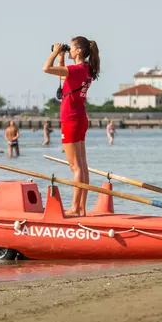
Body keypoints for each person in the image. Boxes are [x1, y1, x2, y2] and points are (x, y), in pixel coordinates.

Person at [43, 37, 100, 216]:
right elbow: (62, 75)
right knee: (82, 165)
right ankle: (81, 207)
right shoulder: (85, 69)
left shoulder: (76, 69)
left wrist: (54, 52)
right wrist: (61, 56)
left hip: (70, 119)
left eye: (71, 49)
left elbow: (46, 69)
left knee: (75, 167)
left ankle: (75, 208)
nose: (69, 51)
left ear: (78, 52)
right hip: (80, 117)